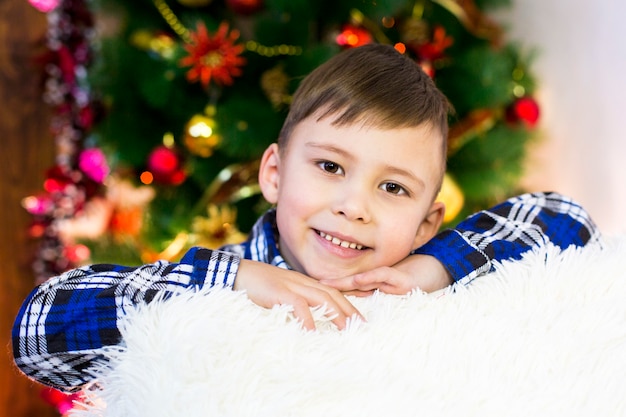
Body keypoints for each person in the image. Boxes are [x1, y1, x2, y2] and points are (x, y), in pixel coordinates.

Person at [13, 43, 601, 393]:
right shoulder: (213, 284)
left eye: (393, 187)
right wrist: (237, 282)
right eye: (329, 166)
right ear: (274, 172)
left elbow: (567, 221)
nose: (354, 205)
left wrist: (436, 266)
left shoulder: (428, 281)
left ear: (426, 223)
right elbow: (36, 332)